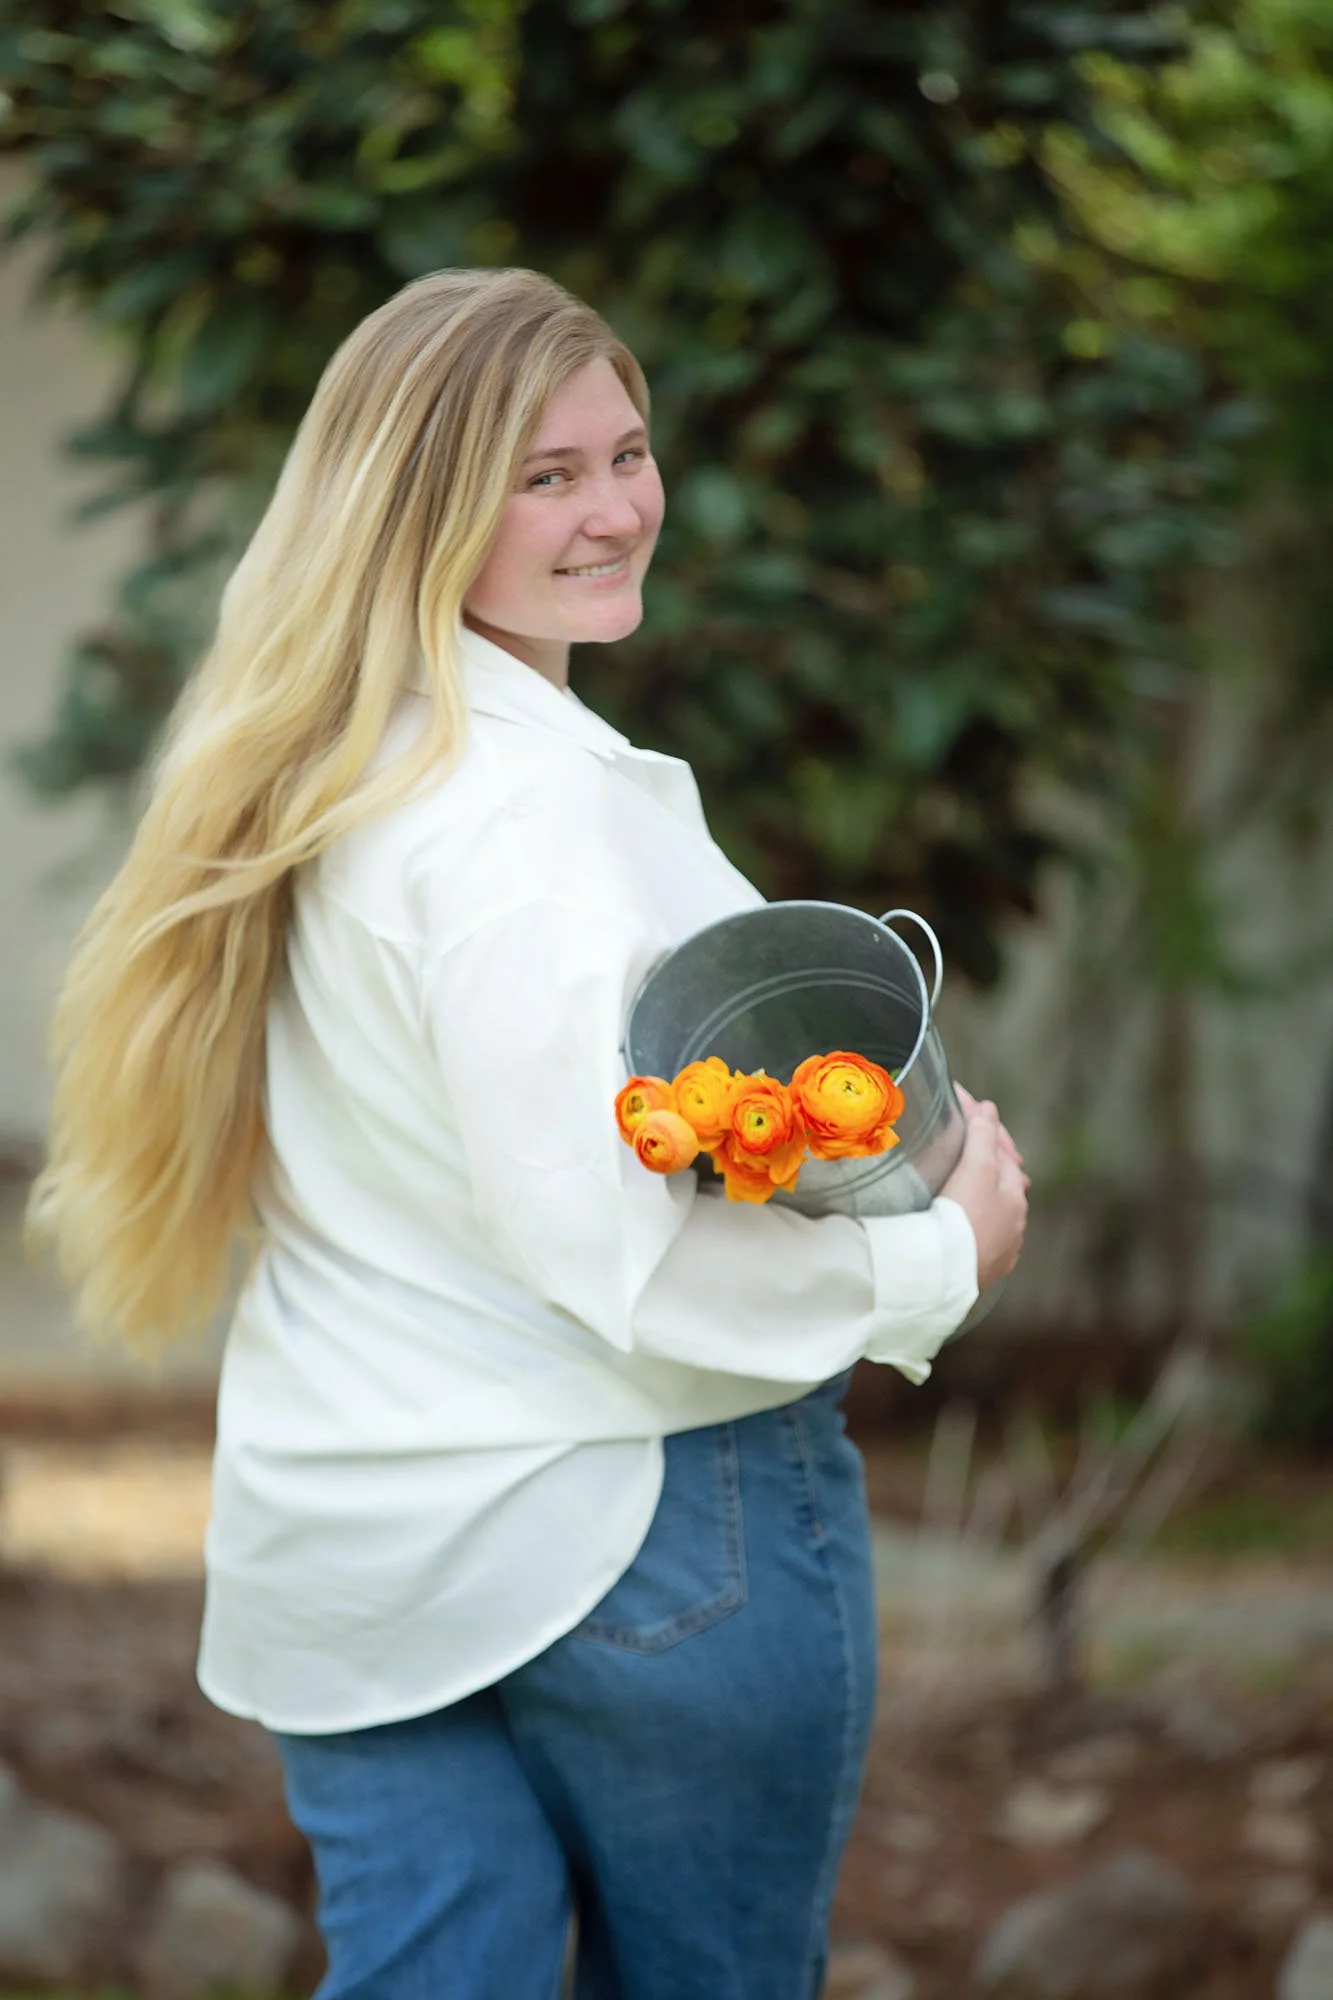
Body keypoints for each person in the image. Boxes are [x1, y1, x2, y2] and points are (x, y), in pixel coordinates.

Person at [29, 267, 1028, 2000]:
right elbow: (612, 1253)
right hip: (637, 1530)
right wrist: (935, 1257)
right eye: (542, 475)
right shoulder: (521, 822)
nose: (616, 509)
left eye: (625, 453)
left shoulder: (308, 779)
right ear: (421, 508)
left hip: (345, 1543)